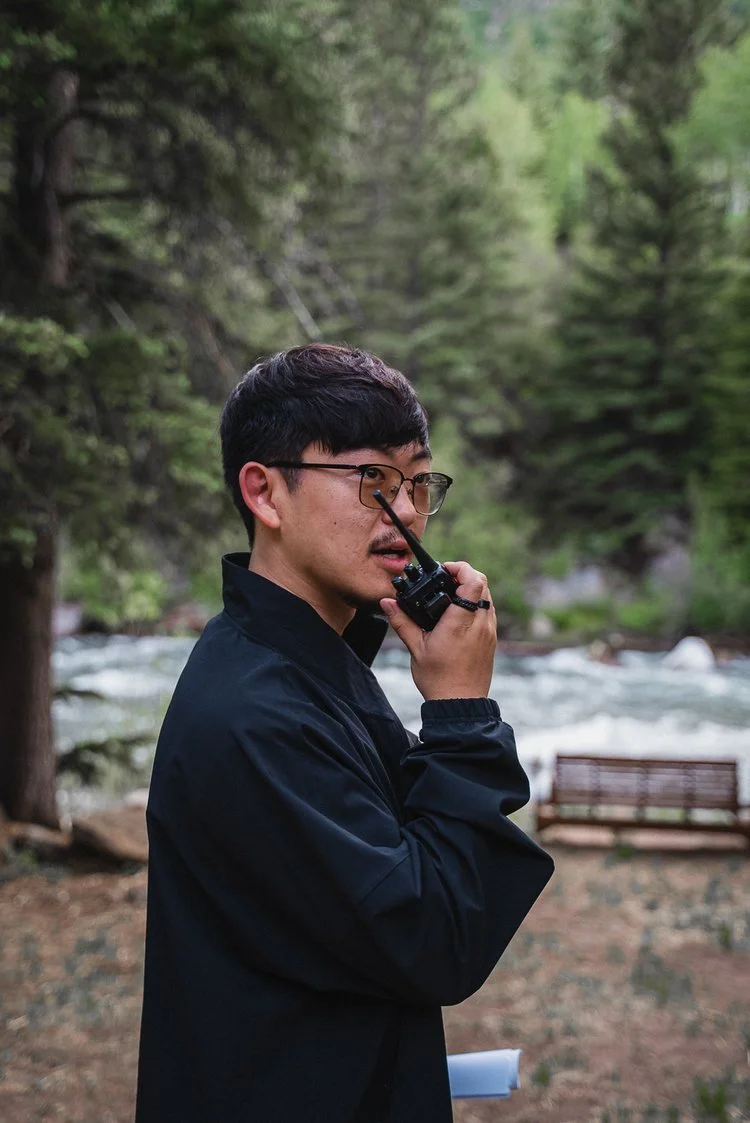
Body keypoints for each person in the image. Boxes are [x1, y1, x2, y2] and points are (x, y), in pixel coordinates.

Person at [136, 343, 554, 1123]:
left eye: (417, 483)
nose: (407, 514)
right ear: (265, 492)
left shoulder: (308, 666)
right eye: (373, 482)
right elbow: (435, 938)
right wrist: (461, 712)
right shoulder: (257, 715)